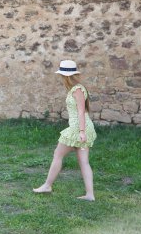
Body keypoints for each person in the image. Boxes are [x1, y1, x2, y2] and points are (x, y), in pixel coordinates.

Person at [33, 60, 97, 201]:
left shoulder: (77, 90)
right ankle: (90, 195)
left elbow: (81, 111)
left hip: (78, 129)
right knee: (83, 161)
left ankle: (47, 185)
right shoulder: (76, 88)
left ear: (65, 76)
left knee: (58, 154)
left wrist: (81, 132)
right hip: (82, 128)